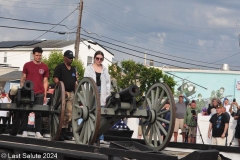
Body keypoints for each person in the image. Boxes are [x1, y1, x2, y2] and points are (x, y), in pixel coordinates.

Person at [20, 46, 49, 138]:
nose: (38, 57)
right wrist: (22, 87)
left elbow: (45, 81)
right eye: (37, 55)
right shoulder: (27, 65)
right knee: (26, 111)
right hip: (28, 92)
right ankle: (24, 130)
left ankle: (37, 131)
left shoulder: (44, 67)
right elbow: (23, 77)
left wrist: (45, 95)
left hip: (39, 92)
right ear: (33, 55)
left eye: (40, 55)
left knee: (38, 113)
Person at [84, 50, 110, 144]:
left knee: (101, 115)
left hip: (102, 92)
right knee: (92, 114)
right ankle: (91, 136)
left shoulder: (105, 69)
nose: (99, 60)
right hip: (92, 91)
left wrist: (107, 96)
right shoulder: (89, 68)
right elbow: (86, 80)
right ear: (94, 58)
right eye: (97, 58)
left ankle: (101, 137)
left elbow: (107, 84)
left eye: (101, 59)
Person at [53, 50, 77, 141]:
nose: (71, 59)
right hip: (62, 92)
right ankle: (59, 132)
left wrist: (76, 93)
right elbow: (55, 79)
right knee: (61, 113)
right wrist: (60, 87)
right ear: (65, 58)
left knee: (69, 114)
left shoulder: (73, 69)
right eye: (69, 58)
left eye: (72, 58)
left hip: (71, 93)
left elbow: (75, 82)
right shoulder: (60, 67)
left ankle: (64, 132)